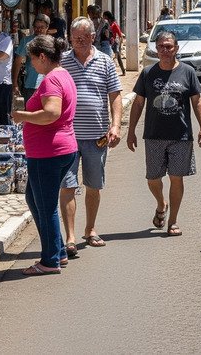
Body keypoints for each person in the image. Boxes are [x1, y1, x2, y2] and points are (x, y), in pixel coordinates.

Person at [126, 31, 201, 236]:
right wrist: (131, 131)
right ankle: (161, 203)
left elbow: (197, 101)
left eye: (169, 46)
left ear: (176, 48)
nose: (165, 50)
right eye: (161, 46)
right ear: (156, 48)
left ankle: (173, 221)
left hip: (181, 135)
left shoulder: (188, 72)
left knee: (176, 177)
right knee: (153, 179)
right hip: (153, 134)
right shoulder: (147, 73)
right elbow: (138, 103)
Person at [11, 34, 79, 275]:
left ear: (42, 56)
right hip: (59, 148)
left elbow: (51, 112)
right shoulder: (63, 75)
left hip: (48, 152)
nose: (31, 64)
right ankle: (58, 250)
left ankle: (50, 260)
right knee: (35, 199)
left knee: (46, 205)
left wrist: (23, 116)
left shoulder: (51, 79)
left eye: (32, 59)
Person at [60, 17, 124, 253]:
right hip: (67, 137)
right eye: (76, 38)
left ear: (93, 37)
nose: (80, 42)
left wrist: (115, 126)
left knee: (93, 186)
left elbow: (115, 95)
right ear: (70, 38)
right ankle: (70, 238)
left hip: (97, 137)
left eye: (85, 38)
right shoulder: (63, 63)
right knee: (67, 185)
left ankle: (90, 229)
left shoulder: (105, 62)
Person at [13, 14, 50, 102]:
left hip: (48, 85)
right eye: (36, 27)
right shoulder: (26, 41)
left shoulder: (51, 42)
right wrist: (15, 84)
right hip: (29, 85)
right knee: (30, 113)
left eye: (42, 27)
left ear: (47, 27)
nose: (39, 29)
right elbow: (17, 63)